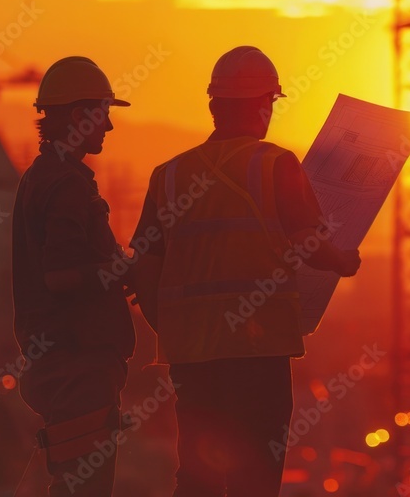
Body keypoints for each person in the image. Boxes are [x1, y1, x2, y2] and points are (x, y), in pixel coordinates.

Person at [129, 45, 361, 497]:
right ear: (262, 105)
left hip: (193, 356)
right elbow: (309, 242)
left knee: (197, 474)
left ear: (214, 105)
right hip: (258, 352)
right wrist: (342, 262)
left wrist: (172, 326)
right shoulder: (274, 164)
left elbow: (141, 266)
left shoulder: (168, 176)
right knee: (256, 471)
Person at [11, 56, 136, 496]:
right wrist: (124, 270)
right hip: (78, 367)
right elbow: (61, 277)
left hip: (62, 365)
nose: (109, 127)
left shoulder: (41, 177)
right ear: (81, 116)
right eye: (104, 115)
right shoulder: (66, 184)